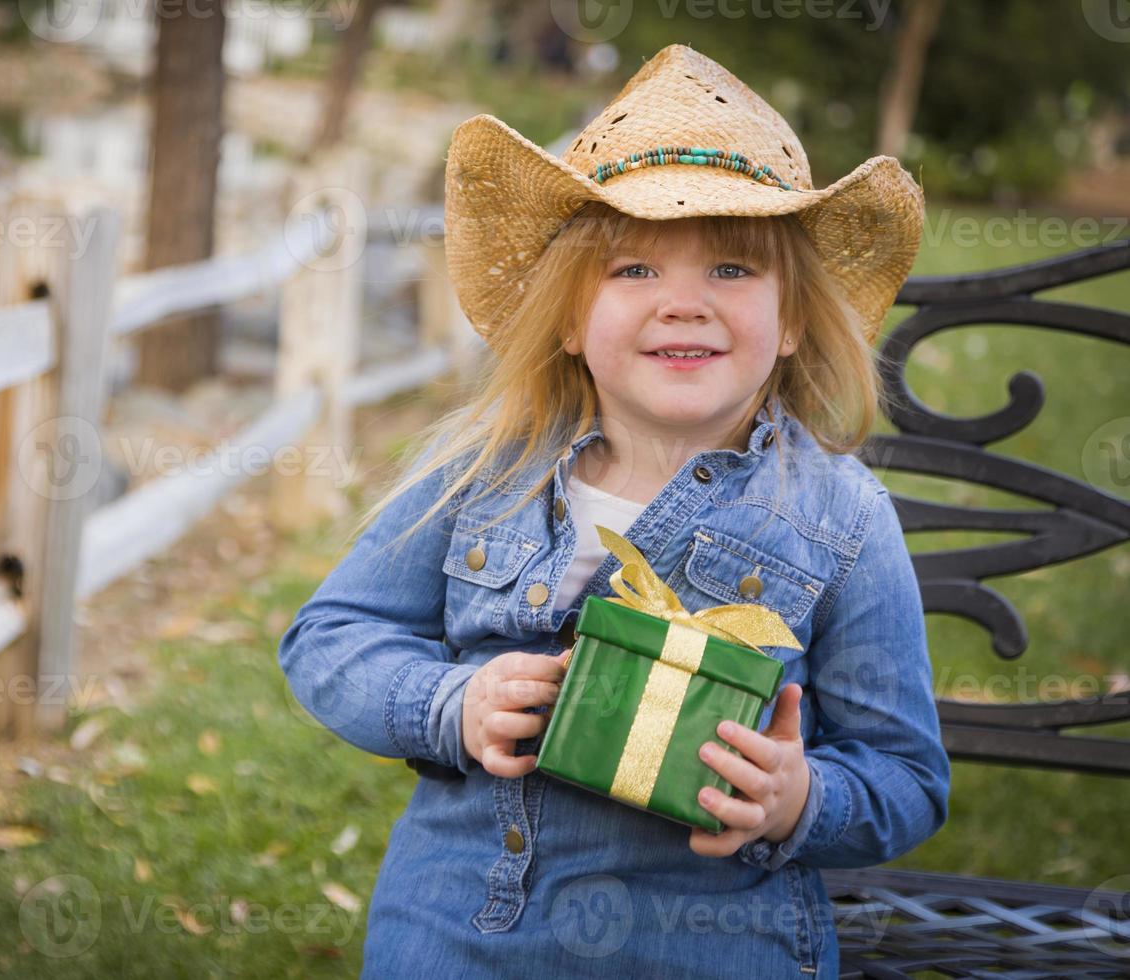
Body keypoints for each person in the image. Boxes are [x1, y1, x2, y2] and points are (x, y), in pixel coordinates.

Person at [278, 43, 949, 979]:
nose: (682, 304)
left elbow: (907, 779)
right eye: (633, 270)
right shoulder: (483, 472)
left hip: (717, 949)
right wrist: (450, 704)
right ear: (566, 319)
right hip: (464, 931)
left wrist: (799, 800)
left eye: (731, 271)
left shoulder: (840, 518)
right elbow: (330, 635)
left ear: (793, 320)